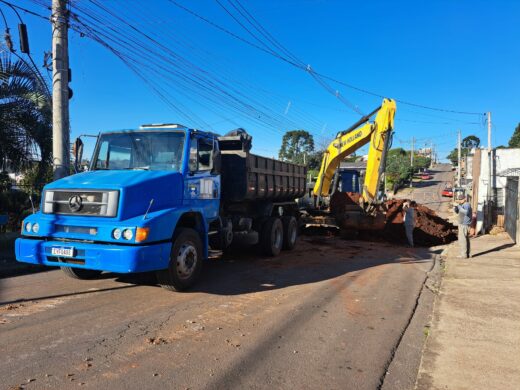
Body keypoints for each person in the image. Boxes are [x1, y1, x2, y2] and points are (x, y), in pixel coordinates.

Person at [454, 194, 472, 258]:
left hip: (464, 224)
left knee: (462, 240)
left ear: (465, 199)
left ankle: (463, 255)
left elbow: (466, 212)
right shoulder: (463, 205)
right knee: (466, 239)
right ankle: (468, 254)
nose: (460, 200)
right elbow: (458, 212)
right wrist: (456, 208)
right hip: (462, 223)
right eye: (459, 199)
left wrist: (459, 206)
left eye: (461, 199)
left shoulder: (466, 205)